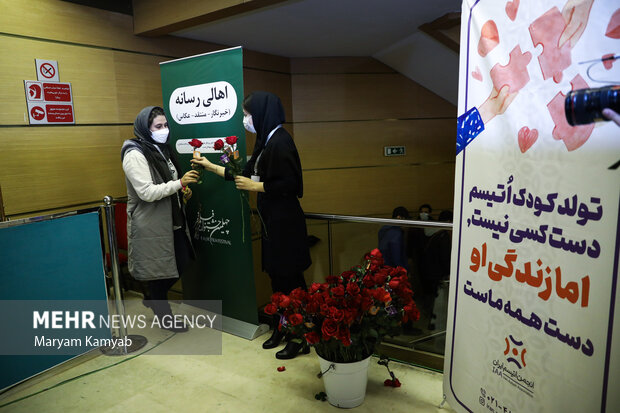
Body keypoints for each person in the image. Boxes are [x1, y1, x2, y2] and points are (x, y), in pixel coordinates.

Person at [192, 91, 312, 359]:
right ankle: (282, 328)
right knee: (277, 279)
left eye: (247, 115)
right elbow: (242, 175)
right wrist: (210, 166)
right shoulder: (266, 141)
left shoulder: (281, 141)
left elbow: (292, 185)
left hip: (286, 225)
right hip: (272, 223)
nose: (246, 120)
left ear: (261, 114)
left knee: (291, 281)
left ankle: (300, 336)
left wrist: (257, 186)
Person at [121, 106, 199, 333]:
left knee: (181, 263)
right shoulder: (134, 153)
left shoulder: (160, 149)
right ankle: (164, 316)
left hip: (171, 220)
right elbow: (146, 192)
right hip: (151, 223)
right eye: (158, 126)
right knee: (159, 272)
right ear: (145, 129)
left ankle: (154, 297)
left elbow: (170, 182)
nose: (164, 130)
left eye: (166, 125)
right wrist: (180, 183)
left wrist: (181, 191)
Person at [378, 206, 410, 271]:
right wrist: (404, 270)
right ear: (399, 217)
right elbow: (396, 257)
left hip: (383, 268)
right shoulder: (396, 233)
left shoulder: (384, 229)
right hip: (393, 270)